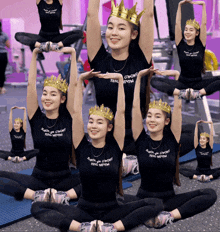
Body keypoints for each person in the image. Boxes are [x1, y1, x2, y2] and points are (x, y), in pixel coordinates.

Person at [31, 71, 163, 232]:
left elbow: (121, 112)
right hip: (84, 211)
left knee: (156, 203)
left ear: (109, 127)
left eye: (99, 122)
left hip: (112, 210)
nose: (93, 126)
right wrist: (79, 80)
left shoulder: (115, 147)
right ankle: (84, 228)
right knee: (38, 207)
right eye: (91, 122)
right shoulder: (82, 147)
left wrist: (121, 80)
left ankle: (112, 228)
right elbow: (76, 113)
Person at [128, 67, 217, 228]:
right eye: (149, 116)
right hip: (144, 199)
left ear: (166, 121)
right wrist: (139, 77)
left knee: (209, 194)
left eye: (157, 116)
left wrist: (177, 82)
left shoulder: (172, 140)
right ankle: (146, 214)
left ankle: (166, 217)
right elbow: (135, 109)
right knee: (110, 199)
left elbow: (178, 108)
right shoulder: (141, 140)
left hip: (168, 199)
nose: (151, 120)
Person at [87, 0, 154, 154]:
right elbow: (92, 16)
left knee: (187, 136)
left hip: (135, 136)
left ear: (133, 34)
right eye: (110, 27)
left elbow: (148, 15)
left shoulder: (140, 59)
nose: (113, 33)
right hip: (105, 137)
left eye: (121, 28)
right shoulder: (99, 60)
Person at [0, 47, 81, 204]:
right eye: (44, 93)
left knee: (103, 177)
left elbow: (74, 85)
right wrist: (35, 54)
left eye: (53, 94)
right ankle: (38, 196)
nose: (47, 98)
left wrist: (72, 53)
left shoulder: (68, 117)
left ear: (63, 99)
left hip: (64, 179)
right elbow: (31, 85)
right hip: (38, 180)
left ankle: (64, 196)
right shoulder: (36, 118)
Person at [151, 0, 220, 100]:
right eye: (186, 30)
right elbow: (177, 25)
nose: (187, 32)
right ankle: (181, 94)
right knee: (154, 81)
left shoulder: (200, 44)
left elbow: (204, 24)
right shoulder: (181, 45)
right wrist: (179, 6)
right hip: (182, 84)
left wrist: (204, 6)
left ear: (197, 33)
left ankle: (199, 94)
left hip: (198, 83)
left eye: (191, 30)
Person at [0, 19, 10, 94]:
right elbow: (8, 45)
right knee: (2, 71)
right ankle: (1, 88)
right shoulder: (4, 35)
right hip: (2, 55)